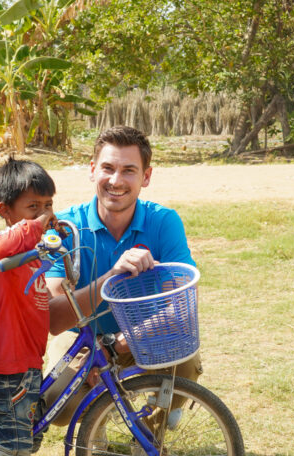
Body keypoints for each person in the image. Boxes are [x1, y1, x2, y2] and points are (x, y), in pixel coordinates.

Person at [43, 125, 202, 426]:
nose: (116, 181)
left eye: (129, 170)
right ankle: (97, 418)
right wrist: (112, 277)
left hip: (141, 339)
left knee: (186, 364)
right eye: (107, 168)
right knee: (56, 405)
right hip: (83, 338)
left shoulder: (163, 222)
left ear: (146, 177)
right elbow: (54, 318)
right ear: (92, 170)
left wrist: (116, 345)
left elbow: (182, 309)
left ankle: (153, 431)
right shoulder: (65, 227)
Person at [0, 158, 59, 456]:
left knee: (15, 445)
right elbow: (8, 243)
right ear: (5, 211)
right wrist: (40, 223)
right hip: (11, 368)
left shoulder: (31, 257)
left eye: (48, 204)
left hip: (26, 365)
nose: (45, 214)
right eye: (33, 206)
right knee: (11, 454)